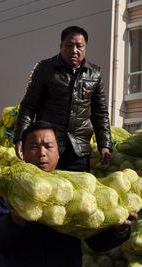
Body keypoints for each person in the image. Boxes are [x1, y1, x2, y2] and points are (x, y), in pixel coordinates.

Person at [0, 121, 133, 267]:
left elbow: (96, 242)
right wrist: (15, 219)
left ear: (58, 152)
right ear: (22, 152)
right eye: (34, 146)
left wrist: (118, 229)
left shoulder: (73, 189)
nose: (42, 153)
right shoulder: (5, 187)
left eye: (48, 146)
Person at [14, 26, 111, 171]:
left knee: (77, 185)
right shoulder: (45, 68)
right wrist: (20, 137)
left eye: (79, 46)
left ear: (85, 48)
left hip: (79, 149)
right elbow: (28, 106)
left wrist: (105, 144)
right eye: (69, 45)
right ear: (61, 46)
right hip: (49, 146)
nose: (74, 50)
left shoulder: (94, 73)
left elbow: (100, 113)